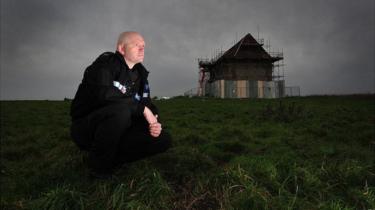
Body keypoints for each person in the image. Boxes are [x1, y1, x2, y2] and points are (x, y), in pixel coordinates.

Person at [70, 31, 172, 178]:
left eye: (143, 46)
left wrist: (155, 123)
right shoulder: (104, 65)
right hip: (86, 128)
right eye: (136, 45)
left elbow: (147, 105)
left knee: (163, 139)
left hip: (120, 128)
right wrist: (142, 109)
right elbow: (103, 94)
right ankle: (99, 169)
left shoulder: (141, 76)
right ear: (122, 49)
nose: (142, 49)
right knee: (120, 110)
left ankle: (108, 160)